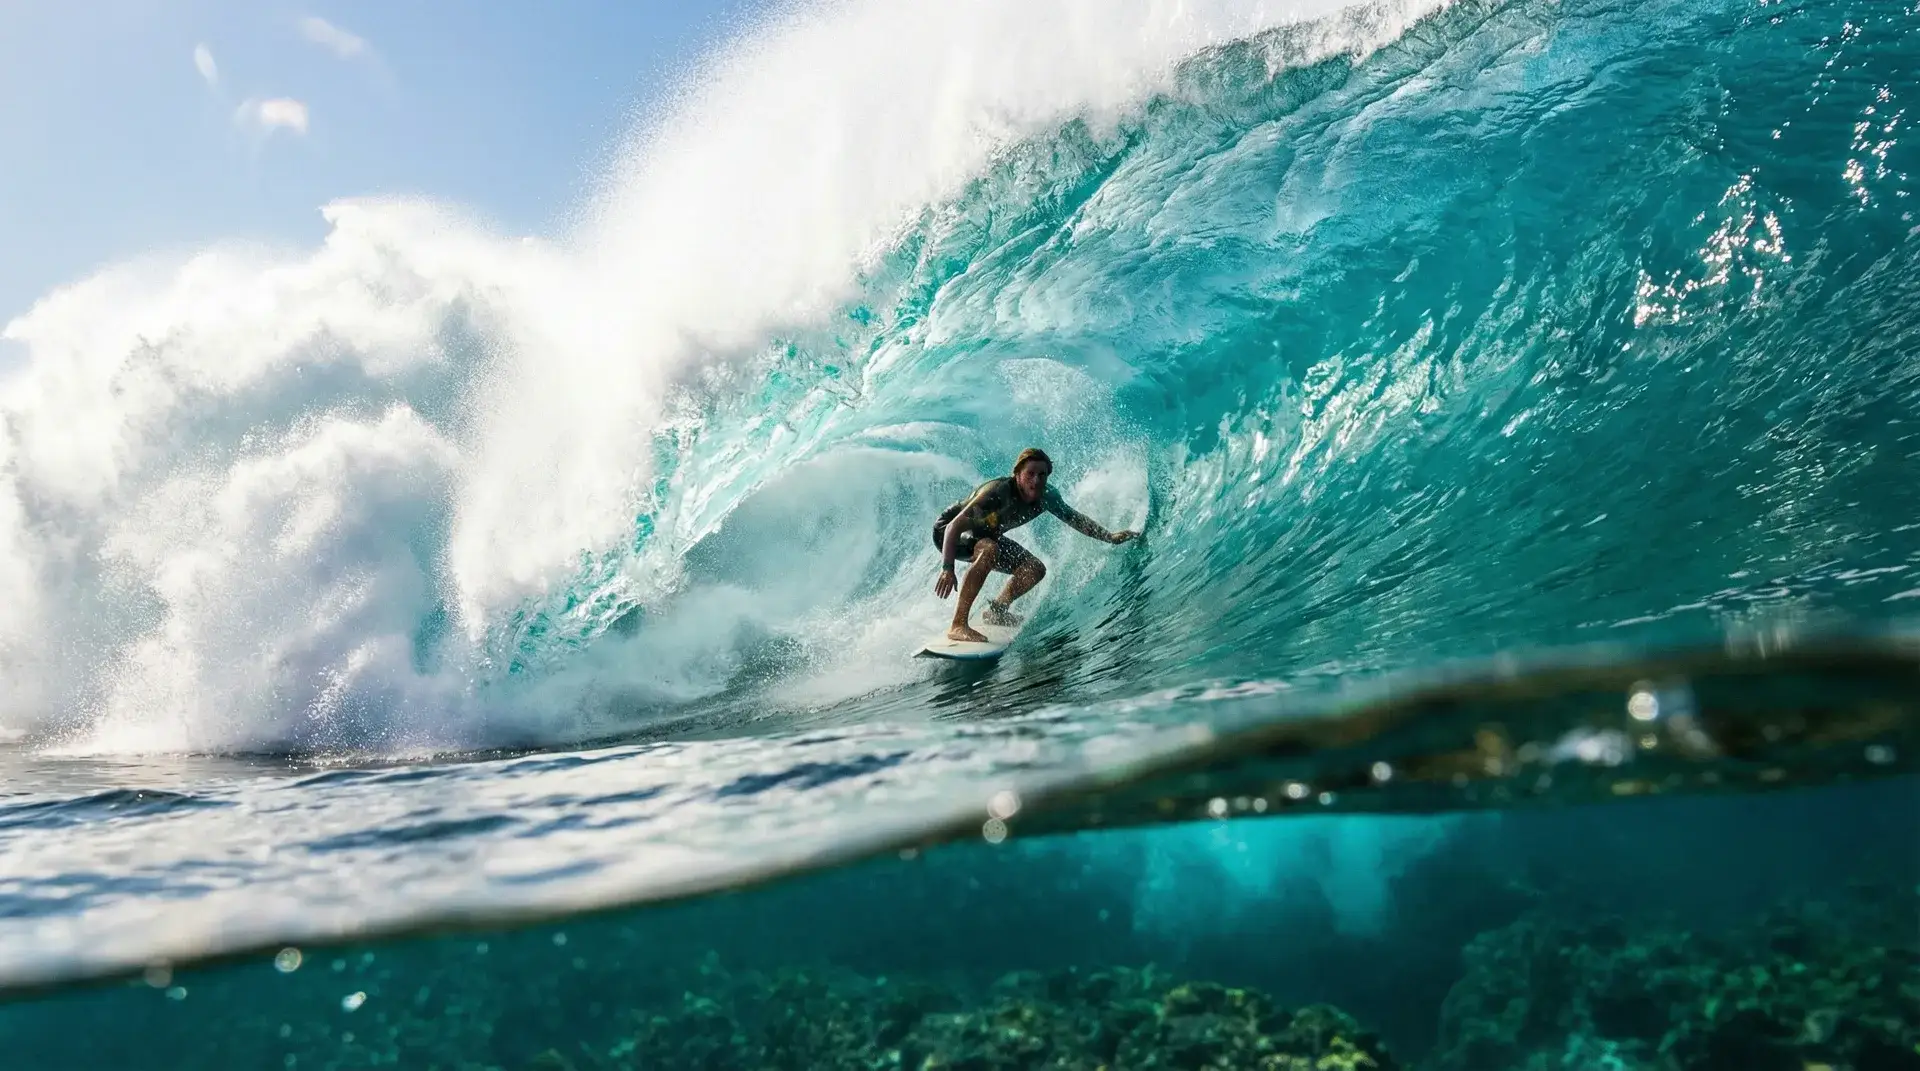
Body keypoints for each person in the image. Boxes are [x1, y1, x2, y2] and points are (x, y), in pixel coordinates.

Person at [932, 447, 1135, 643]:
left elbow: (1075, 519)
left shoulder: (1047, 497)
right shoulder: (996, 492)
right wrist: (947, 569)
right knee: (989, 550)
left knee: (1035, 569)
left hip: (985, 535)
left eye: (1042, 475)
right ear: (1017, 474)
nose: (1036, 480)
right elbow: (953, 526)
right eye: (1030, 474)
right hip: (949, 533)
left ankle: (997, 611)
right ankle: (958, 625)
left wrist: (1109, 536)